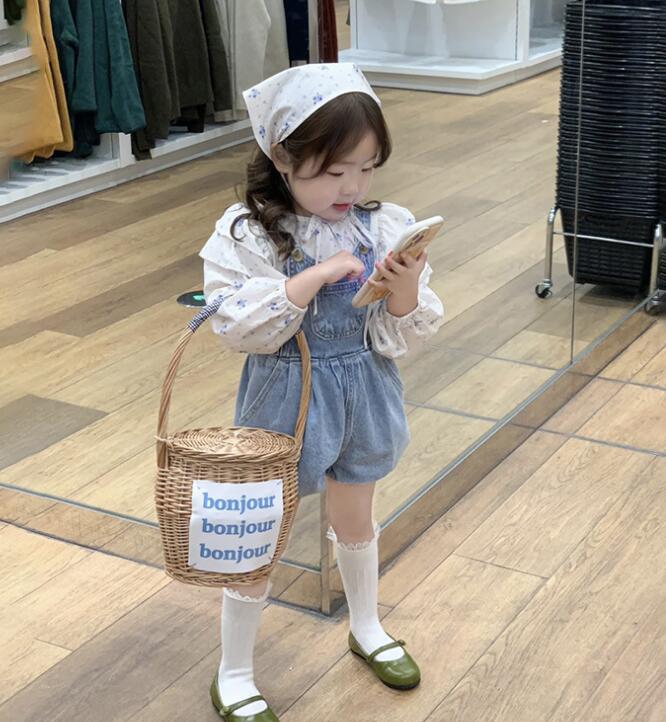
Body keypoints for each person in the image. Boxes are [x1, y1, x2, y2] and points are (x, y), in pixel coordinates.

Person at [200, 62, 444, 722]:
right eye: (335, 170)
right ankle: (234, 671)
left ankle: (366, 625)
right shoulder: (247, 233)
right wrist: (314, 277)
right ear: (283, 158)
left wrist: (403, 289)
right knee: (259, 533)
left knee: (356, 514)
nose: (353, 186)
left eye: (366, 168)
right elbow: (236, 324)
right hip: (286, 395)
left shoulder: (382, 224)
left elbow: (398, 334)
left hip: (365, 388)